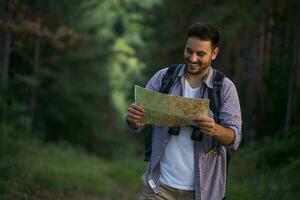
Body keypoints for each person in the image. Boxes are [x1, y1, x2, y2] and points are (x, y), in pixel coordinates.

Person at [125, 22, 242, 200]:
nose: (192, 58)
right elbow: (137, 123)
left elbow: (234, 138)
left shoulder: (224, 88)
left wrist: (214, 129)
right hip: (158, 187)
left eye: (200, 54)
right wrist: (133, 119)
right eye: (189, 51)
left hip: (204, 191)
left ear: (214, 53)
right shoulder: (164, 78)